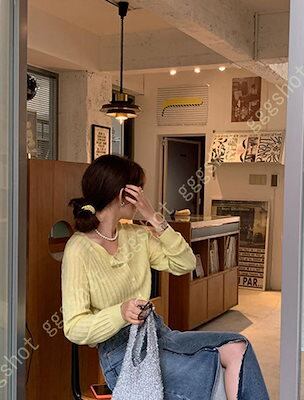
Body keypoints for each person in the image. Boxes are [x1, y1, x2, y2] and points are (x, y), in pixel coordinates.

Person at [61, 154, 269, 400]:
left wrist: (153, 217)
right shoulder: (78, 249)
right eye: (139, 188)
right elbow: (74, 327)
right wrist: (120, 312)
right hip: (123, 356)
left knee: (238, 346)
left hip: (158, 333)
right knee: (209, 372)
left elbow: (186, 263)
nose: (143, 195)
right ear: (123, 194)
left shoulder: (136, 235)